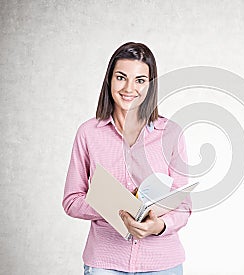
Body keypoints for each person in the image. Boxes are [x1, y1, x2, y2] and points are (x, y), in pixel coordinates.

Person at [62, 42, 191, 275]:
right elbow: (71, 200)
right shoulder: (88, 133)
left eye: (140, 80)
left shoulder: (172, 133)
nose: (129, 88)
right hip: (105, 262)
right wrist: (116, 207)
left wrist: (159, 226)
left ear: (150, 86)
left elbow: (183, 204)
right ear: (109, 80)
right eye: (121, 77)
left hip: (162, 263)